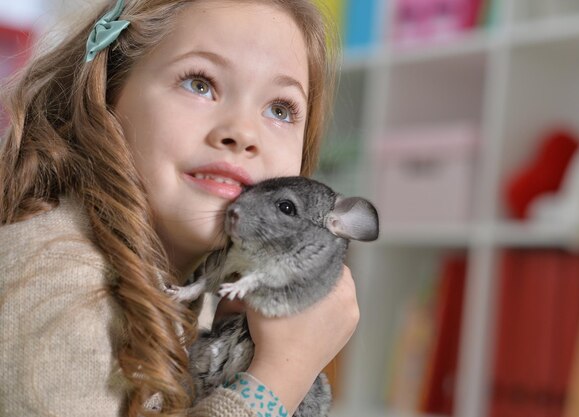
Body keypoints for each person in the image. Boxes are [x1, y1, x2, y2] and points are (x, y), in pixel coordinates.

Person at [0, 1, 361, 416]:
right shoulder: (50, 282)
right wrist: (280, 376)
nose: (244, 133)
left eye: (279, 109)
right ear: (107, 92)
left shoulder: (203, 295)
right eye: (200, 83)